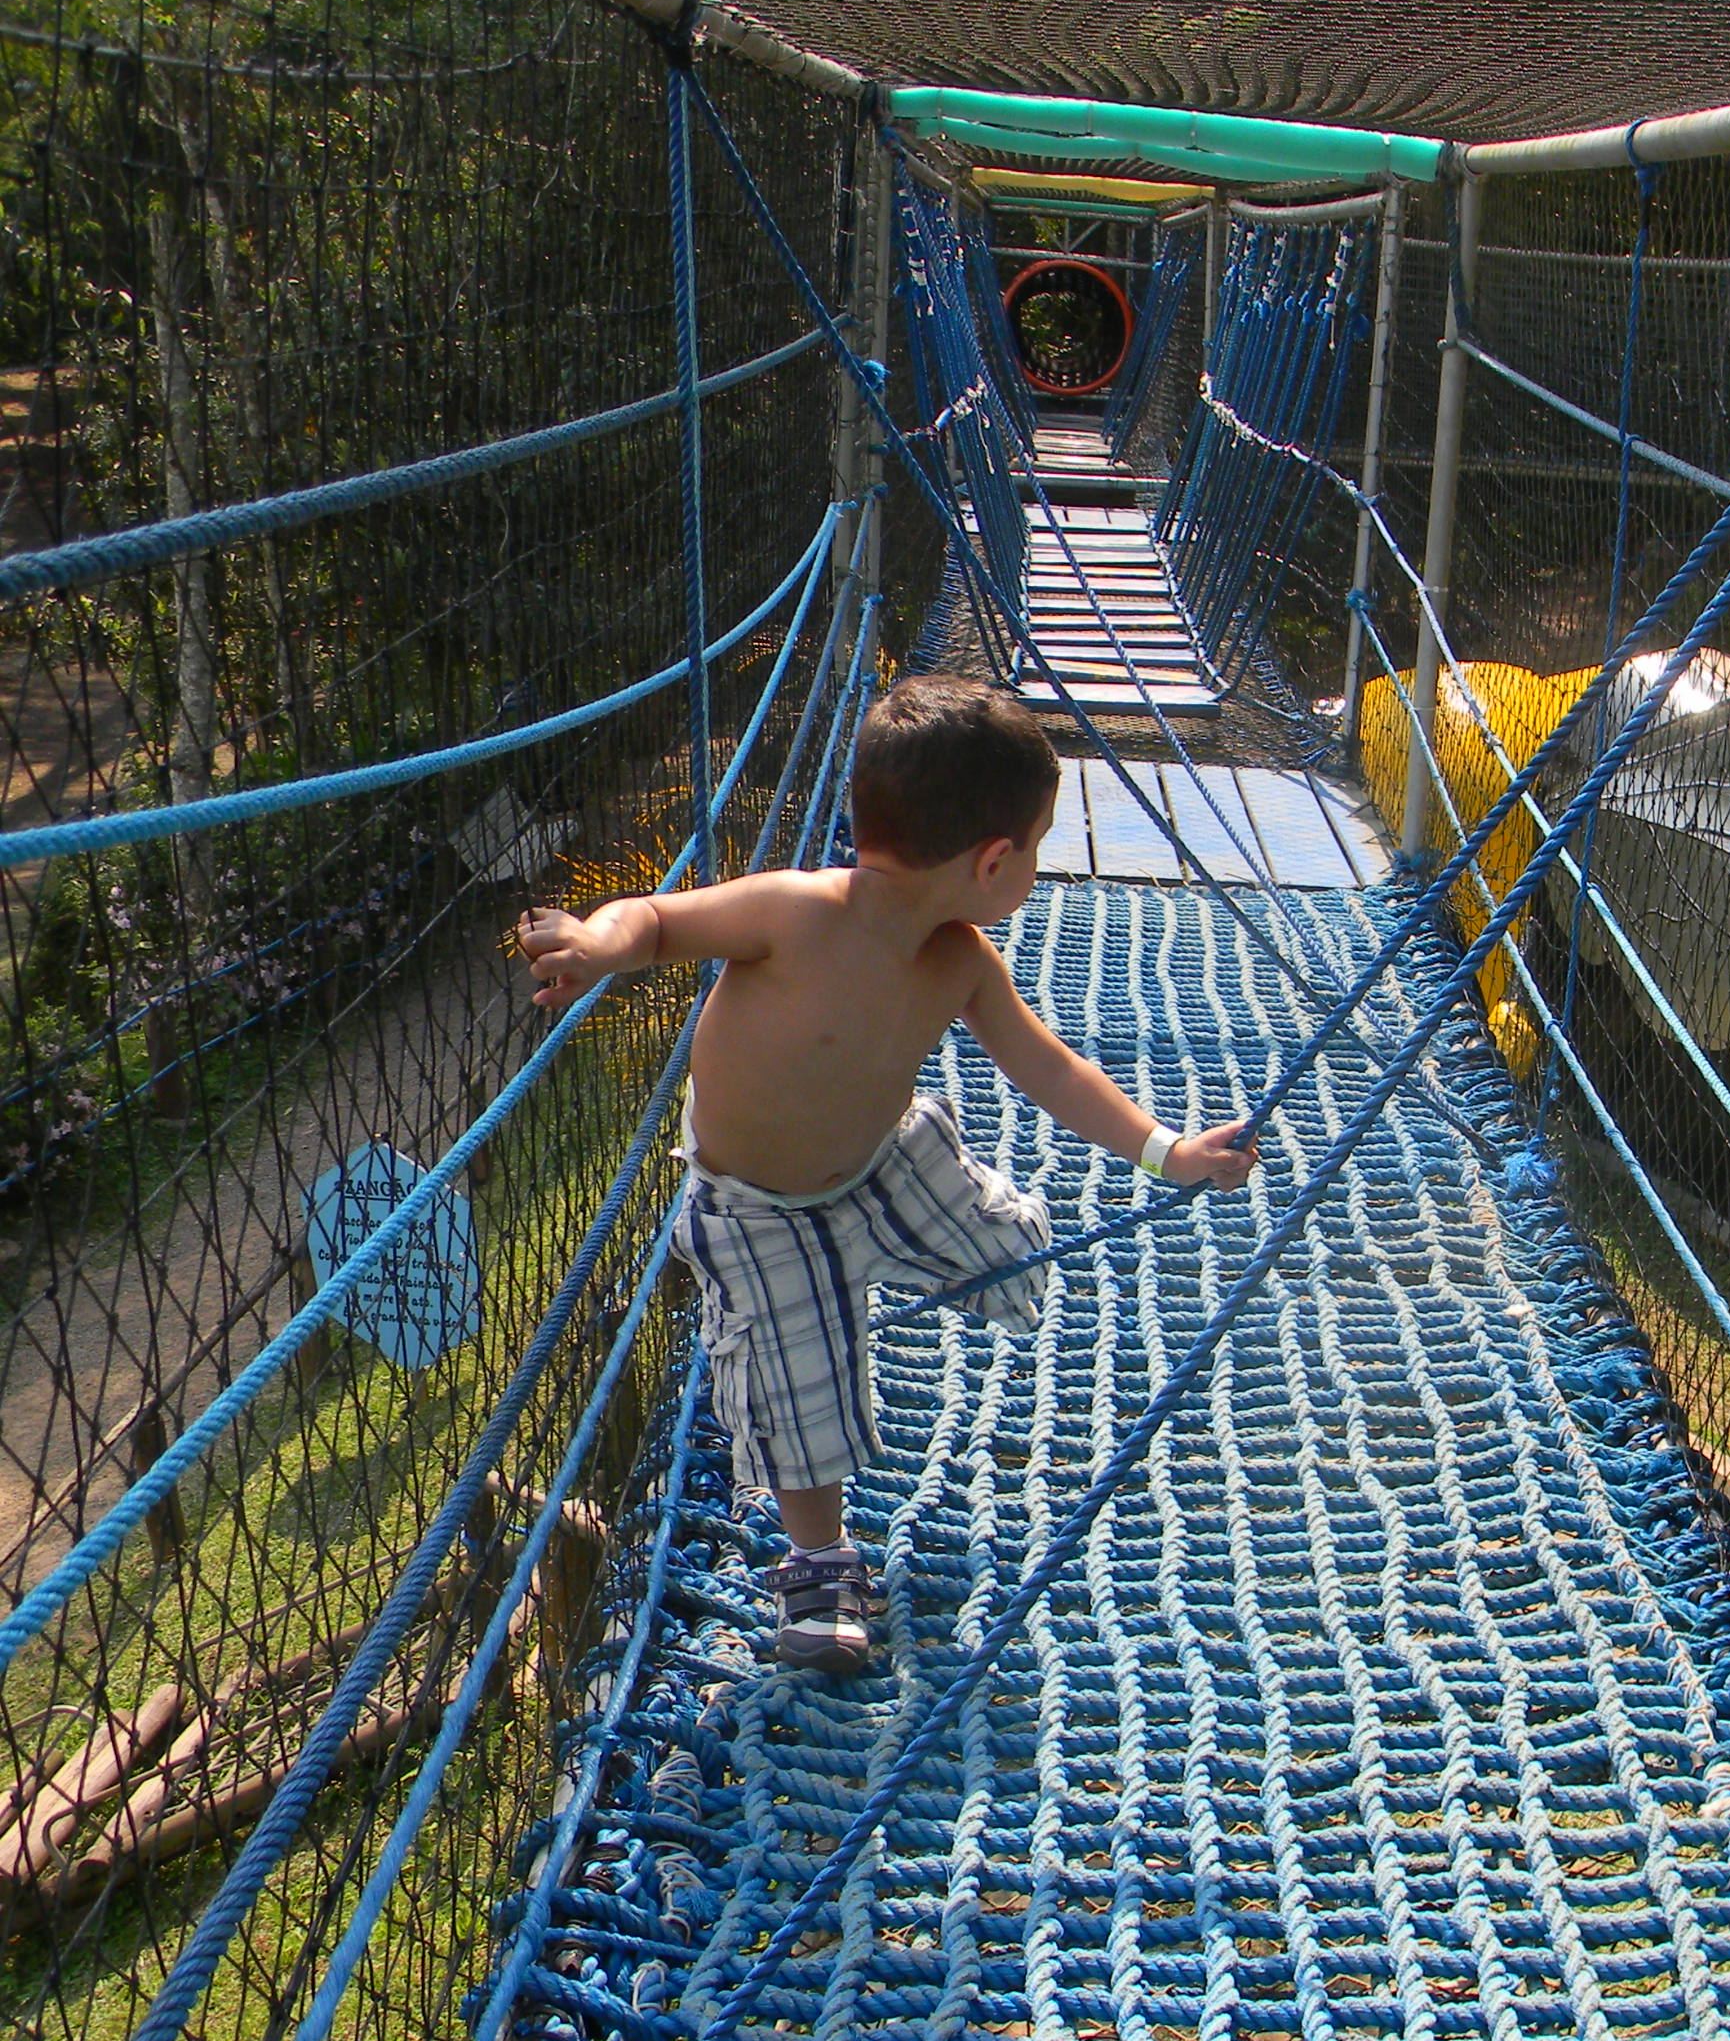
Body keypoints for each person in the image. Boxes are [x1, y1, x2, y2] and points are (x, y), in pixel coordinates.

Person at [516, 676, 1258, 1672]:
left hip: (881, 1156)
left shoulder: (961, 961)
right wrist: (595, 945)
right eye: (1036, 847)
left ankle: (893, 1266)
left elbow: (1050, 1067)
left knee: (1012, 1263)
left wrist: (1167, 1150)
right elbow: (653, 920)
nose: (1032, 866)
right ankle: (820, 1565)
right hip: (757, 1207)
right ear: (995, 859)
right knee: (803, 1384)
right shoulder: (792, 909)